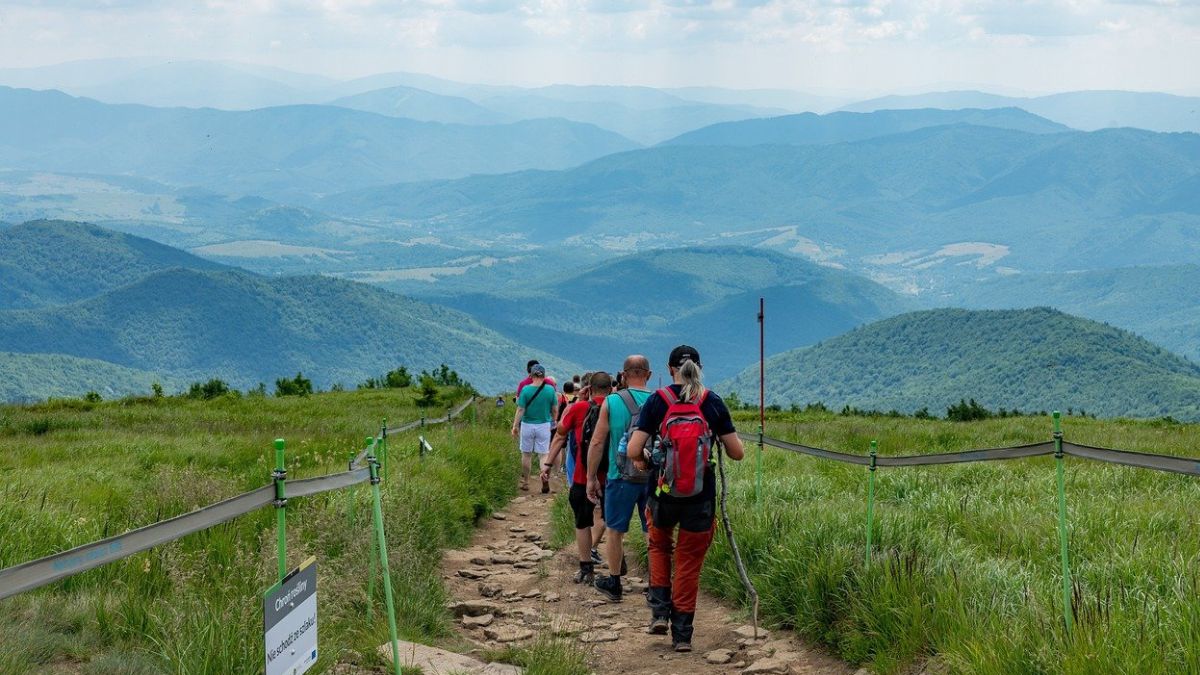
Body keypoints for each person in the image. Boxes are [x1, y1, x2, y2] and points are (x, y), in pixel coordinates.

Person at [625, 345, 744, 653]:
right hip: (700, 498)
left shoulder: (658, 400)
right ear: (700, 368)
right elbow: (737, 452)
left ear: (669, 369)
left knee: (659, 545)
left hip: (662, 494)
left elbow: (633, 449)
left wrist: (643, 461)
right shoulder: (711, 402)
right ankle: (682, 635)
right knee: (689, 562)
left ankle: (660, 612)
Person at [586, 355, 655, 602]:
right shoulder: (661, 401)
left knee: (615, 530)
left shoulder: (612, 402)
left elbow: (597, 442)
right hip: (652, 477)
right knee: (653, 531)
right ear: (648, 374)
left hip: (619, 476)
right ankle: (656, 587)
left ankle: (614, 583)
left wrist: (591, 477)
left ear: (623, 376)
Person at [542, 372, 612, 583]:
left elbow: (561, 433)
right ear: (610, 389)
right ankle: (616, 570)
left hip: (583, 476)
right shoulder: (616, 408)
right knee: (608, 519)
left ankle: (585, 568)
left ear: (589, 389)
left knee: (582, 522)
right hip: (612, 476)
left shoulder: (580, 408)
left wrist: (547, 464)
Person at [512, 364, 558, 493]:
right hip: (544, 424)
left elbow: (520, 409)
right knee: (543, 455)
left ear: (531, 375)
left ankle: (526, 482)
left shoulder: (525, 390)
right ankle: (544, 478)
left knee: (526, 454)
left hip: (527, 424)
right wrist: (554, 420)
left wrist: (515, 426)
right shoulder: (550, 390)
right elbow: (554, 409)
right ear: (544, 375)